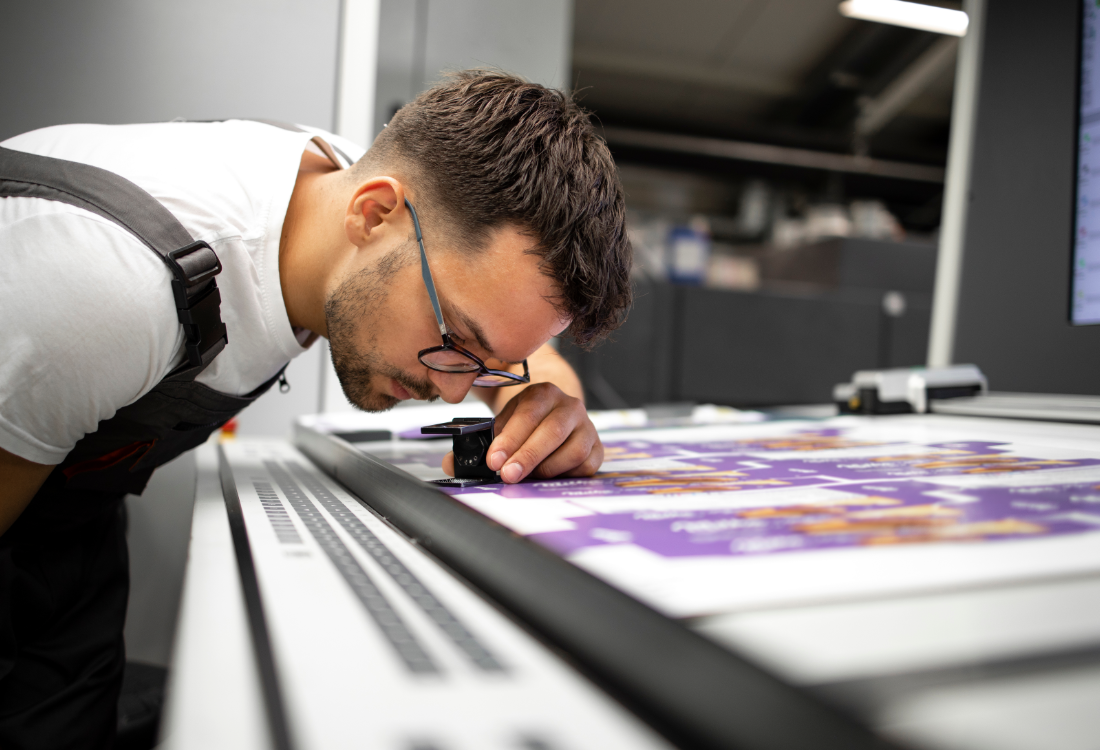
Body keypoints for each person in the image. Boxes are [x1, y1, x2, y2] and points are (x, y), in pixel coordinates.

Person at [0, 71, 631, 749]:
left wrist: (543, 399)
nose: (454, 392)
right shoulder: (108, 285)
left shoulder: (355, 195)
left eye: (487, 363)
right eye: (454, 340)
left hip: (68, 516)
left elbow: (520, 348)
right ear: (372, 214)